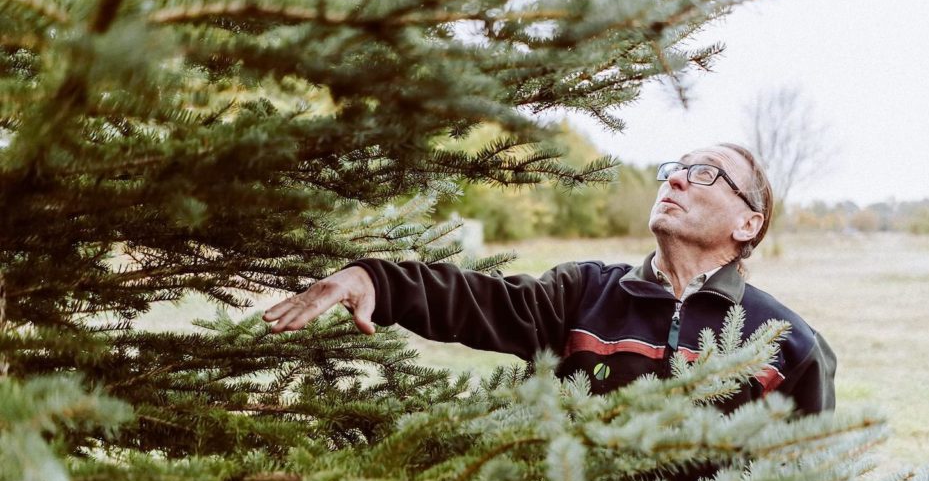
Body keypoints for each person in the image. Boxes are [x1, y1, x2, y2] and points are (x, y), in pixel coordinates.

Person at [264, 143, 836, 417]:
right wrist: (378, 280)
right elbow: (478, 300)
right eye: (674, 170)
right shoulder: (584, 294)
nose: (678, 180)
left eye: (705, 173)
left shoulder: (784, 341)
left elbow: (808, 479)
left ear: (748, 223)